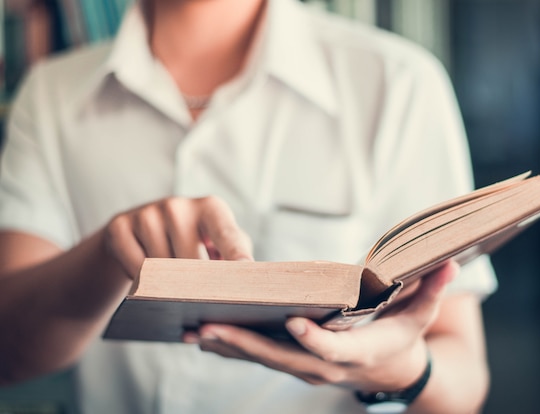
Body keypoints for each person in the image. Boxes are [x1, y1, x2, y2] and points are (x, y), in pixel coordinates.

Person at [0, 0, 498, 412]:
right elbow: (10, 354)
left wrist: (402, 371)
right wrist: (109, 254)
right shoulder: (50, 96)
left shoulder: (399, 84)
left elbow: (463, 380)